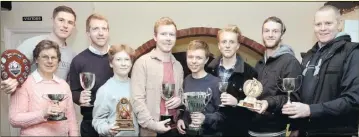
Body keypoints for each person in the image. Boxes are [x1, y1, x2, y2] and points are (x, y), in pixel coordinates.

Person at [282, 5, 359, 137]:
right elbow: (300, 96)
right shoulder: (308, 56)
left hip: (336, 132)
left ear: (339, 24)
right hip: (305, 132)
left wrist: (310, 110)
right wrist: (296, 127)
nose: (323, 28)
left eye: (328, 23)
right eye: (318, 24)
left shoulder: (352, 53)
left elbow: (353, 100)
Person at [1, 5, 77, 94]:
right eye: (61, 20)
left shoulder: (72, 55)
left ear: (73, 26)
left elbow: (68, 86)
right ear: (53, 20)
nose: (65, 26)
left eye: (70, 22)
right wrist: (8, 83)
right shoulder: (32, 44)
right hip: (31, 102)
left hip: (56, 104)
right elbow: (9, 68)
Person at [9, 40, 79, 136]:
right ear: (36, 59)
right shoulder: (24, 84)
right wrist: (43, 113)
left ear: (58, 61)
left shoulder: (63, 85)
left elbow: (71, 120)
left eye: (53, 57)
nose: (50, 61)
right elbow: (14, 119)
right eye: (45, 57)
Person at [248, 16, 302, 137]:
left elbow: (292, 99)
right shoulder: (260, 63)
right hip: (253, 129)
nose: (270, 35)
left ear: (281, 35)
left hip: (274, 131)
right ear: (262, 34)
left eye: (275, 31)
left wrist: (268, 103)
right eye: (267, 31)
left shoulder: (290, 62)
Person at [130, 17, 183, 137]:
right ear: (155, 37)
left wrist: (180, 100)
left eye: (172, 34)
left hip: (175, 129)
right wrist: (153, 125)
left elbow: (181, 93)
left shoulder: (178, 66)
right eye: (164, 34)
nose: (168, 38)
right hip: (151, 131)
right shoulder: (142, 63)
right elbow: (137, 100)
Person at [206, 24, 258, 136]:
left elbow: (255, 107)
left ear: (238, 45)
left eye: (232, 42)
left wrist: (237, 102)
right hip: (210, 132)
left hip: (236, 132)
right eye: (224, 42)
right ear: (219, 46)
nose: (227, 46)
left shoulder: (250, 72)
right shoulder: (208, 69)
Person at [69, 13, 113, 137]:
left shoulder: (119, 58)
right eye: (95, 29)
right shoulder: (79, 60)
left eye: (104, 29)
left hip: (116, 121)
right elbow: (73, 91)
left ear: (108, 32)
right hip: (90, 123)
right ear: (88, 33)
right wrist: (79, 97)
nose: (101, 33)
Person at [92, 44, 139, 136]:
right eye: (118, 60)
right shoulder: (105, 90)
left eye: (127, 59)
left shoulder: (137, 86)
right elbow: (97, 120)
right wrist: (107, 129)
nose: (123, 64)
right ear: (111, 63)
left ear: (131, 63)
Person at [177, 40, 221, 136]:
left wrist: (205, 118)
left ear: (206, 60)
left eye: (199, 58)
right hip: (189, 133)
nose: (193, 61)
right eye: (190, 57)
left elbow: (222, 115)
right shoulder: (187, 80)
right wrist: (182, 119)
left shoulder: (215, 82)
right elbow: (186, 108)